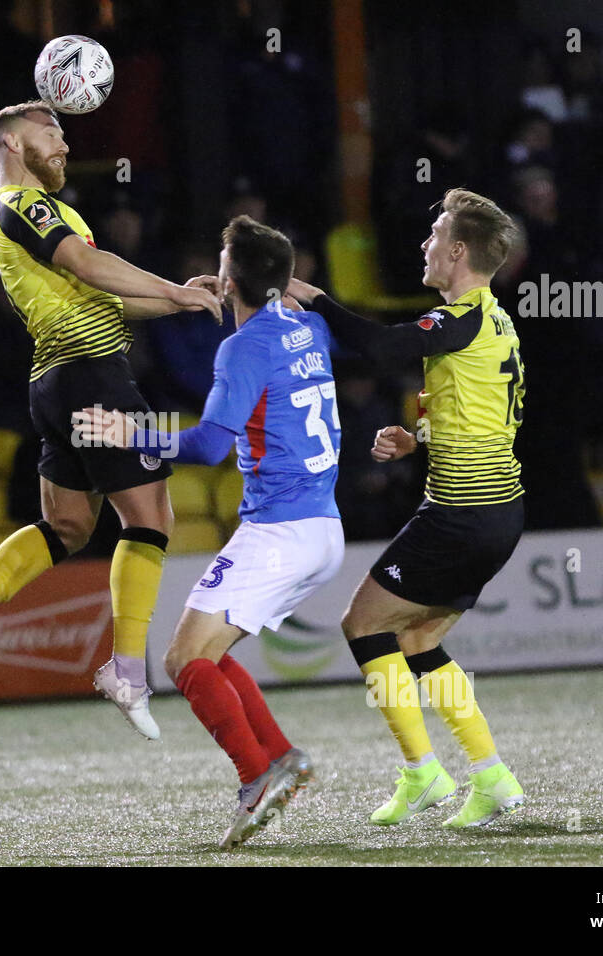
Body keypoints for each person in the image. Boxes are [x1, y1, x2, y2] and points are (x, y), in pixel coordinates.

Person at [0, 101, 221, 739]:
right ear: (9, 142)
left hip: (55, 383)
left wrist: (182, 302)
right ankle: (127, 670)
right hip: (92, 375)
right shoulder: (25, 206)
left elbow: (106, 296)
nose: (63, 142)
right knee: (151, 518)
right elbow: (89, 267)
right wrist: (174, 289)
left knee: (67, 524)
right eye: (51, 131)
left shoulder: (51, 214)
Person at [74, 215, 344, 849]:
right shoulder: (312, 326)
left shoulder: (241, 347)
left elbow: (206, 445)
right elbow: (280, 304)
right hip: (322, 526)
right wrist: (246, 285)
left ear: (229, 278)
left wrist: (128, 434)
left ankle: (257, 777)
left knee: (182, 660)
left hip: (278, 531)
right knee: (209, 653)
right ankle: (279, 757)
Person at [286, 188, 527, 828]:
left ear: (456, 252)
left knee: (362, 625)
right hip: (498, 514)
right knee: (417, 638)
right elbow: (486, 416)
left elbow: (382, 345)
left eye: (434, 237)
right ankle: (492, 776)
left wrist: (314, 298)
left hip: (460, 514)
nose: (424, 246)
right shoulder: (495, 322)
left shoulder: (462, 317)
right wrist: (417, 438)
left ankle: (423, 771)